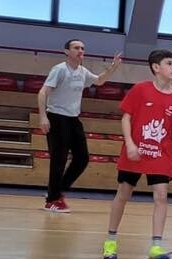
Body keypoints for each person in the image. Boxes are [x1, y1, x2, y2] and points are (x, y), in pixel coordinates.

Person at [103, 49, 172, 259]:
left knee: (161, 196)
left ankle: (156, 246)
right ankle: (111, 240)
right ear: (156, 67)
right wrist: (130, 144)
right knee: (123, 194)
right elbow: (126, 118)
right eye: (169, 63)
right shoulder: (140, 89)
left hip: (161, 154)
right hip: (135, 152)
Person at [38, 39, 122, 212]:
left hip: (73, 119)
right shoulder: (59, 69)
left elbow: (99, 81)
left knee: (82, 158)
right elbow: (43, 92)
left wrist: (113, 67)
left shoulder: (83, 72)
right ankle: (52, 200)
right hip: (56, 117)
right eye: (76, 48)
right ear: (66, 52)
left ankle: (56, 191)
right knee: (59, 160)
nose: (80, 50)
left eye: (82, 48)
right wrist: (43, 117)